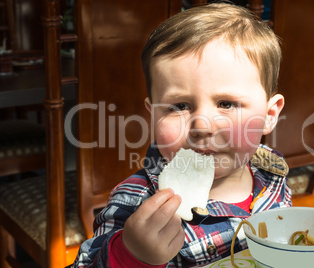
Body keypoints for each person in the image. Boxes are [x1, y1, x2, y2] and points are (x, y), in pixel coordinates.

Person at [73, 3, 291, 267]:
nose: (202, 126)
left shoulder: (272, 176)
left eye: (226, 104)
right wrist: (131, 254)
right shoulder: (137, 200)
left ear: (269, 115)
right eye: (179, 106)